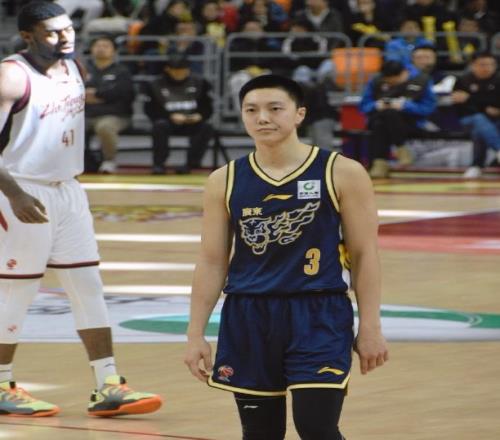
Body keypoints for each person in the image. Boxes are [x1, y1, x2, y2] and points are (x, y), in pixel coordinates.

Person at [184, 74, 388, 439]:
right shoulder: (224, 179)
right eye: (251, 110)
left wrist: (371, 325)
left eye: (275, 108)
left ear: (299, 114)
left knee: (316, 428)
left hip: (318, 313)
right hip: (248, 315)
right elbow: (212, 260)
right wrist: (195, 333)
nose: (262, 117)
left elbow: (364, 253)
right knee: (260, 433)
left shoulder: (342, 171)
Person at [0, 1, 162, 417]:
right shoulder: (11, 76)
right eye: (52, 32)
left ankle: (108, 384)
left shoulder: (76, 68)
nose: (65, 37)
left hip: (69, 190)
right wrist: (15, 194)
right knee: (17, 289)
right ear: (27, 36)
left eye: (68, 28)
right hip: (22, 188)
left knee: (87, 284)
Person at [359, 60, 437, 178]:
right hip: (379, 120)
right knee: (384, 118)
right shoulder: (376, 80)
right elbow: (363, 106)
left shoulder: (422, 80)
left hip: (412, 123)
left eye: (394, 80)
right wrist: (376, 105)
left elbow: (428, 108)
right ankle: (401, 149)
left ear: (404, 73)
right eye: (388, 81)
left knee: (385, 119)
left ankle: (379, 164)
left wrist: (405, 106)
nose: (391, 84)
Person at [144, 53, 214, 174]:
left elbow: (208, 106)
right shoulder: (155, 84)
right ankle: (159, 164)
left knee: (206, 127)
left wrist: (200, 115)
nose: (179, 74)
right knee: (159, 125)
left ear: (188, 69)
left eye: (182, 70)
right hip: (168, 121)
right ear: (168, 69)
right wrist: (169, 116)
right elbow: (150, 109)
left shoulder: (201, 83)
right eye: (175, 70)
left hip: (192, 120)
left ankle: (191, 164)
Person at [85, 35, 135, 174]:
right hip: (87, 114)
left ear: (114, 51)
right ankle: (76, 161)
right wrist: (104, 95)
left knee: (105, 126)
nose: (101, 49)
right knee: (68, 126)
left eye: (106, 46)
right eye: (98, 46)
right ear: (91, 49)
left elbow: (123, 95)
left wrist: (97, 94)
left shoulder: (122, 71)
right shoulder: (84, 70)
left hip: (115, 115)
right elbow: (77, 92)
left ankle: (109, 160)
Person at [451, 51, 500, 178]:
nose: (487, 68)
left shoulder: (498, 80)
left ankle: (476, 166)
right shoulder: (463, 80)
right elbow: (460, 107)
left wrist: (470, 99)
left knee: (479, 130)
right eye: (483, 64)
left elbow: (496, 104)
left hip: (495, 119)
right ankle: (498, 149)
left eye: (491, 65)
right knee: (479, 119)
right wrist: (485, 106)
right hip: (468, 119)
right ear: (473, 65)